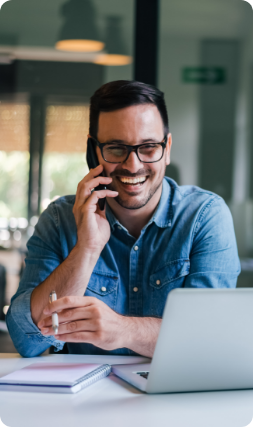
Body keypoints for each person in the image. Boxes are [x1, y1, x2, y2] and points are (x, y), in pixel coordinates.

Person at [6, 80, 240, 358]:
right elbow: (26, 341)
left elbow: (210, 339)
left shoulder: (205, 216)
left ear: (167, 148)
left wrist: (123, 330)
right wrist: (87, 249)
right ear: (94, 151)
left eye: (149, 147)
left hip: (175, 399)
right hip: (84, 399)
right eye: (116, 148)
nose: (133, 165)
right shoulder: (59, 219)